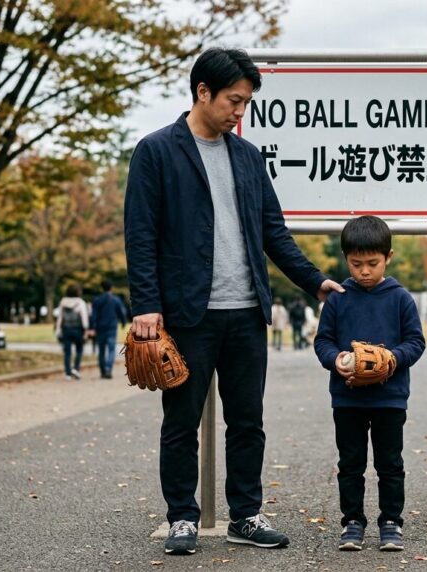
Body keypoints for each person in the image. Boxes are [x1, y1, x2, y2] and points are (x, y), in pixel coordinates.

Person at [123, 48, 345, 555]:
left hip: (247, 313)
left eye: (245, 103)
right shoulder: (156, 151)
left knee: (247, 421)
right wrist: (146, 304)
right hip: (186, 313)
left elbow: (274, 233)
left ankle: (245, 514)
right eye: (234, 101)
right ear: (203, 92)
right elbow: (140, 235)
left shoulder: (246, 157)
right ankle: (183, 517)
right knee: (181, 421)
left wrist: (315, 282)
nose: (239, 112)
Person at [313, 216, 426, 553]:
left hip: (389, 398)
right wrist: (336, 361)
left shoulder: (400, 298)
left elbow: (415, 342)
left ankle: (391, 521)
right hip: (347, 398)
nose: (364, 271)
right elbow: (323, 342)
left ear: (388, 257)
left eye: (372, 263)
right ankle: (352, 521)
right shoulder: (338, 299)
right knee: (350, 463)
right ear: (345, 258)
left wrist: (392, 358)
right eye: (356, 263)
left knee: (390, 462)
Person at [90, 280, 129, 379]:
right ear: (111, 288)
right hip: (111, 327)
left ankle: (103, 371)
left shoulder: (97, 300)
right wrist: (123, 322)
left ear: (102, 288)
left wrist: (92, 327)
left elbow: (93, 315)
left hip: (100, 328)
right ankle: (108, 368)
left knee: (101, 350)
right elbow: (121, 312)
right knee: (111, 349)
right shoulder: (116, 300)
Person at [55, 283, 89, 380]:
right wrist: (86, 330)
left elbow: (60, 318)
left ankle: (68, 373)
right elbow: (84, 317)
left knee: (67, 352)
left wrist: (58, 329)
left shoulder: (63, 302)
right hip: (78, 329)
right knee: (79, 349)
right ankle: (76, 368)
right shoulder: (80, 302)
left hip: (66, 329)